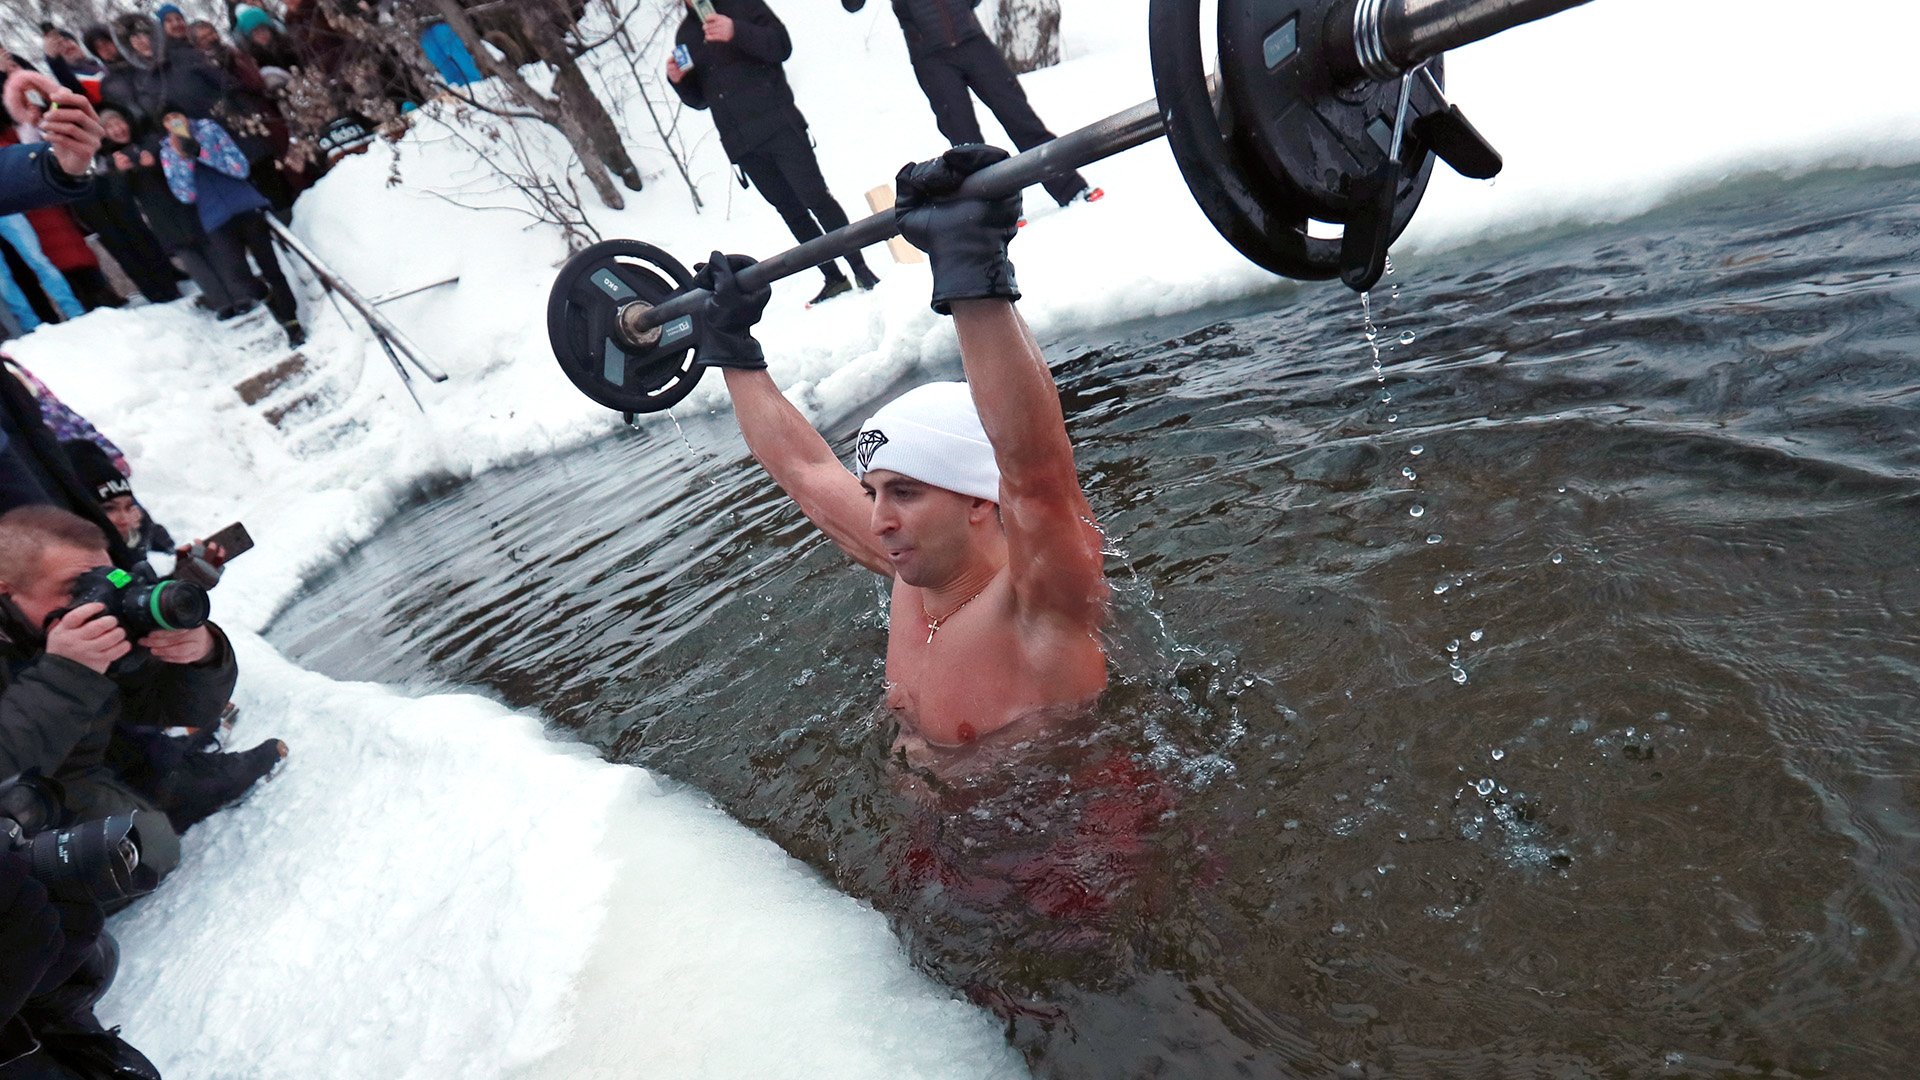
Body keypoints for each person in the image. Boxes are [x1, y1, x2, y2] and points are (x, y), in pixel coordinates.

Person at [704, 145, 1107, 759]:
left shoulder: (1042, 604)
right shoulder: (911, 575)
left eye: (906, 491)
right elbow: (806, 470)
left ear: (977, 500)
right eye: (874, 491)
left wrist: (973, 270)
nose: (878, 518)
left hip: (1071, 849)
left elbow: (1037, 475)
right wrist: (731, 350)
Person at [667, 0, 880, 308]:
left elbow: (781, 46)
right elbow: (701, 99)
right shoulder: (686, 33)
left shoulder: (743, 6)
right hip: (742, 143)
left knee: (816, 198)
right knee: (790, 211)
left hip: (780, 124)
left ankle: (862, 270)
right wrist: (679, 82)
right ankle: (834, 278)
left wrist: (735, 31)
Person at [843, 0, 1099, 211]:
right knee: (967, 144)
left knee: (1019, 117)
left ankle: (1071, 188)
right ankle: (1003, 214)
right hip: (931, 57)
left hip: (971, 39)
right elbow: (852, 5)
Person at [157, 105, 305, 344]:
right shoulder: (167, 151)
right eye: (168, 120)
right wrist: (184, 159)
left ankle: (291, 322)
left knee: (270, 267)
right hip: (214, 217)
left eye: (177, 116)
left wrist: (202, 151)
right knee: (239, 276)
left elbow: (239, 167)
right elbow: (184, 195)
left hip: (244, 204)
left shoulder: (208, 129)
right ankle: (269, 300)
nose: (174, 122)